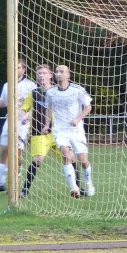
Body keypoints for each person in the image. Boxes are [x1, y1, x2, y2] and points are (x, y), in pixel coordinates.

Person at [19, 64, 84, 198]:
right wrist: (24, 117)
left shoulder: (58, 92)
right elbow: (24, 108)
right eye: (39, 74)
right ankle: (25, 190)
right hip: (40, 133)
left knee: (69, 158)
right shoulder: (34, 93)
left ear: (50, 75)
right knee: (38, 159)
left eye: (44, 73)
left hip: (59, 132)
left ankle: (77, 187)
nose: (41, 76)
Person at [43, 65, 95, 198]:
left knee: (83, 160)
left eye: (62, 71)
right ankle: (74, 187)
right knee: (66, 155)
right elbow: (49, 109)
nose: (58, 74)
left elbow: (88, 107)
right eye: (57, 71)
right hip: (60, 130)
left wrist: (78, 119)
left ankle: (88, 184)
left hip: (76, 130)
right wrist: (47, 125)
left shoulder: (78, 90)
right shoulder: (51, 92)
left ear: (68, 75)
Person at [0, 59, 36, 194]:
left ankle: (15, 184)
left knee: (17, 154)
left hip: (22, 123)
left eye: (19, 67)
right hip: (9, 121)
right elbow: (3, 102)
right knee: (4, 151)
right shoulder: (7, 85)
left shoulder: (30, 85)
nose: (16, 70)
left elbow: (35, 104)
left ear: (24, 70)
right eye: (14, 67)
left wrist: (29, 117)